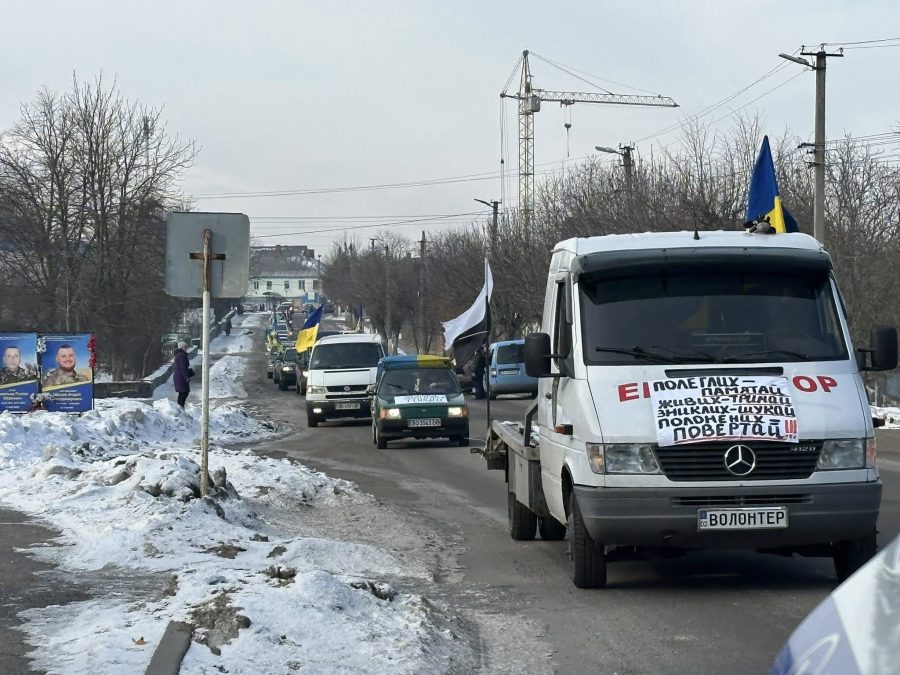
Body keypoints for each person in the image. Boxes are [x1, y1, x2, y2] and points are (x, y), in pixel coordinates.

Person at [173, 341, 194, 408]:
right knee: (184, 393)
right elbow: (183, 367)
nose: (186, 348)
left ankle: (180, 407)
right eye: (185, 347)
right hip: (181, 377)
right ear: (181, 347)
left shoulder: (179, 355)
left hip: (179, 377)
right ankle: (180, 407)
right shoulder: (181, 356)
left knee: (183, 393)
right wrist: (186, 377)